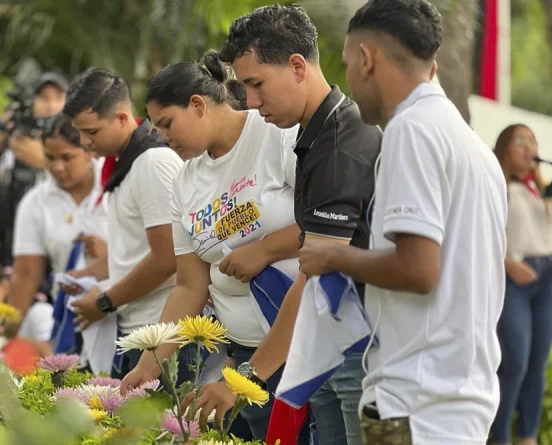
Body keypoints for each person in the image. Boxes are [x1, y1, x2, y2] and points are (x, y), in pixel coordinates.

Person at [298, 1, 507, 444]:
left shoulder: (411, 130)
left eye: (348, 63)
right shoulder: (472, 145)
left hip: (415, 404)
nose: (349, 79)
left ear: (367, 59)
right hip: (459, 400)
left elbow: (419, 269)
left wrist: (336, 254)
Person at [119, 51, 307, 441]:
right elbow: (190, 286)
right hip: (241, 352)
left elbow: (329, 225)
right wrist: (152, 359)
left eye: (168, 124)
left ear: (198, 104)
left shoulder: (275, 134)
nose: (164, 139)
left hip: (298, 345)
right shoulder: (185, 182)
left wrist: (266, 249)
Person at [217, 5, 382, 444]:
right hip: (328, 349)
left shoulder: (340, 145)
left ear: (296, 66)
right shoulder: (317, 135)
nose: (251, 102)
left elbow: (314, 277)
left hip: (359, 356)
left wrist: (247, 379)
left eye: (256, 84)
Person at [61, 68, 196, 380]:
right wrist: (88, 277)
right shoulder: (129, 163)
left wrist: (106, 301)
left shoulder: (153, 162)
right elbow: (136, 250)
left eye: (91, 132)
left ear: (122, 118)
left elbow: (168, 257)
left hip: (164, 334)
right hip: (140, 330)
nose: (84, 142)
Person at [8, 113, 108, 344]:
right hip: (70, 321)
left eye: (67, 157)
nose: (57, 167)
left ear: (89, 151)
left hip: (121, 311)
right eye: (49, 158)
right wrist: (6, 337)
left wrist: (110, 254)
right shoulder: (35, 202)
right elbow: (26, 275)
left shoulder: (114, 183)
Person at [490, 124, 552, 445]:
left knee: (537, 365)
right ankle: (498, 438)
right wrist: (507, 264)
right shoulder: (497, 186)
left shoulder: (539, 191)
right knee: (515, 361)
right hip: (514, 278)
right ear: (504, 148)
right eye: (520, 141)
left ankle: (528, 439)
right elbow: (484, 237)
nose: (529, 147)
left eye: (533, 141)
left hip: (546, 280)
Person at [0, 72, 69, 265]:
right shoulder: (16, 141)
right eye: (43, 98)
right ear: (31, 103)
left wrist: (43, 161)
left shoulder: (78, 144)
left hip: (55, 249)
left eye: (58, 98)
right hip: (7, 249)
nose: (51, 105)